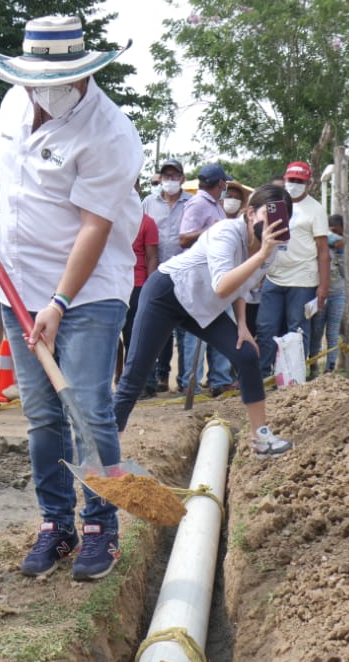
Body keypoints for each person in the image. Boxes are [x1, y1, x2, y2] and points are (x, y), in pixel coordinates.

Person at [0, 15, 142, 581]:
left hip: (87, 293)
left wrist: (59, 303)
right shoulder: (18, 100)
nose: (35, 94)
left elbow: (95, 229)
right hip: (17, 288)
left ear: (79, 76)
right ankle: (56, 524)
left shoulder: (109, 133)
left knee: (88, 409)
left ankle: (101, 527)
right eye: (29, 82)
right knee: (42, 415)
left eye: (47, 83)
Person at [114, 185, 294, 455]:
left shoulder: (270, 251)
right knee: (135, 375)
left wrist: (242, 325)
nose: (273, 225)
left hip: (201, 307)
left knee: (246, 354)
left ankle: (261, 438)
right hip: (167, 293)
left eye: (281, 219)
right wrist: (262, 254)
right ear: (250, 214)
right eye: (267, 217)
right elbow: (223, 285)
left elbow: (241, 287)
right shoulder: (226, 233)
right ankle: (106, 451)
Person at [257, 161, 330, 378]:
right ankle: (262, 375)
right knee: (265, 327)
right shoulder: (273, 205)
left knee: (297, 331)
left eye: (299, 181)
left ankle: (294, 378)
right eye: (291, 180)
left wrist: (323, 286)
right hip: (273, 277)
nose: (294, 185)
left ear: (308, 183)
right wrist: (260, 273)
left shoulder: (315, 210)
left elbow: (323, 250)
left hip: (303, 280)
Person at [180, 162, 235, 395]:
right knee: (196, 332)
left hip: (216, 275)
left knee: (224, 327)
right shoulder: (199, 204)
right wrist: (212, 231)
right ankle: (190, 382)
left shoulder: (214, 205)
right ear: (220, 183)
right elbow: (183, 238)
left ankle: (219, 380)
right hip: (201, 277)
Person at [141, 159, 192, 394]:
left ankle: (185, 380)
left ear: (182, 178)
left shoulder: (191, 203)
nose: (170, 180)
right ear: (160, 178)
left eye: (174, 176)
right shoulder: (148, 203)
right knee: (157, 329)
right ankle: (160, 377)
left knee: (185, 329)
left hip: (185, 273)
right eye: (166, 176)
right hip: (156, 272)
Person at [123, 202, 159, 377]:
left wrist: (149, 288)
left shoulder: (147, 222)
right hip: (117, 285)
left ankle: (143, 381)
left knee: (135, 336)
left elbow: (152, 257)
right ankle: (119, 377)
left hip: (138, 285)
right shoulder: (111, 219)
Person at [322, 214, 348, 372]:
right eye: (332, 232)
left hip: (337, 293)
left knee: (332, 332)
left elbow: (346, 271)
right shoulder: (321, 243)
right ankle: (312, 367)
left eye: (339, 232)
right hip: (320, 293)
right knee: (316, 332)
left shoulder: (343, 248)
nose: (336, 237)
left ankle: (329, 368)